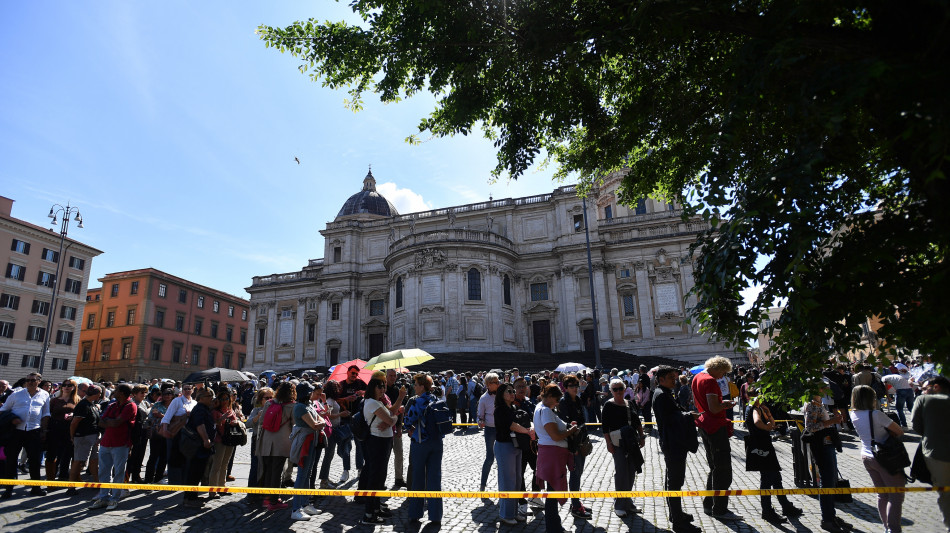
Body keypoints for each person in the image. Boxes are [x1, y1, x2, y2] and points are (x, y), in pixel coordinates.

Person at [691, 356, 741, 521]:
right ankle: (720, 509)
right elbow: (713, 408)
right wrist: (725, 404)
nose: (723, 377)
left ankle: (709, 504)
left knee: (714, 466)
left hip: (704, 424)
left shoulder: (697, 377)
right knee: (723, 468)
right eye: (723, 373)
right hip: (714, 425)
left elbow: (705, 404)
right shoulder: (710, 380)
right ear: (718, 368)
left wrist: (720, 402)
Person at [652, 366, 701, 533]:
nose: (675, 380)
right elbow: (670, 419)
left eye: (674, 377)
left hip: (674, 442)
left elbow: (675, 412)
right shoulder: (661, 396)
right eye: (671, 378)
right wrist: (688, 416)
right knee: (674, 483)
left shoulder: (665, 393)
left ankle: (676, 514)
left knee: (674, 482)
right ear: (661, 379)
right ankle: (678, 523)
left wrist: (686, 413)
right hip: (672, 444)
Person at [850, 384, 904, 533]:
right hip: (883, 457)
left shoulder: (853, 414)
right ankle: (894, 529)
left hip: (866, 455)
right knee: (896, 495)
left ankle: (886, 526)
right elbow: (899, 431)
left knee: (882, 494)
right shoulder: (876, 414)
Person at [745, 396, 804, 525]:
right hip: (762, 448)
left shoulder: (760, 409)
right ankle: (767, 511)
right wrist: (766, 428)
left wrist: (769, 414)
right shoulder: (754, 410)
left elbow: (772, 424)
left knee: (776, 478)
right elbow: (757, 422)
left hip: (765, 446)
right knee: (767, 479)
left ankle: (785, 506)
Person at [357, 377, 404, 525]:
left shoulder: (378, 402)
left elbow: (390, 416)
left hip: (383, 441)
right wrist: (394, 417)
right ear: (372, 388)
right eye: (379, 387)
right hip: (376, 441)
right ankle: (369, 514)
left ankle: (376, 508)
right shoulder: (371, 402)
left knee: (380, 476)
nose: (383, 389)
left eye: (383, 387)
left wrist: (393, 414)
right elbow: (391, 420)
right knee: (375, 477)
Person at [805, 384, 850, 533]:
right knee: (826, 481)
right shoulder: (811, 406)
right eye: (822, 387)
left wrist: (832, 418)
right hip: (821, 445)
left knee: (831, 480)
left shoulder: (820, 403)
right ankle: (827, 518)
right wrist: (832, 422)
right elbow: (810, 428)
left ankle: (832, 515)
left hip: (828, 443)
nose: (825, 389)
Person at [535, 383, 579, 533]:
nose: (557, 403)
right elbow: (555, 436)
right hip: (553, 455)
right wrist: (571, 430)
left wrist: (566, 426)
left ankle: (554, 527)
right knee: (552, 494)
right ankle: (554, 528)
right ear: (549, 397)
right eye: (556, 399)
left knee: (551, 494)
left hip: (550, 454)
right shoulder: (546, 411)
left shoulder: (541, 408)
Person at [0, 372, 50, 499]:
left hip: (34, 431)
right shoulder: (16, 394)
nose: (30, 382)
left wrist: (44, 431)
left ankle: (35, 487)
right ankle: (8, 489)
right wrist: (12, 419)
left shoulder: (44, 394)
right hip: (16, 431)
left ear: (39, 381)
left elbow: (45, 414)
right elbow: (3, 410)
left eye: (33, 380)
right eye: (28, 380)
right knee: (11, 460)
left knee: (34, 461)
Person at [90, 383, 137, 511]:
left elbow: (116, 422)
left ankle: (114, 498)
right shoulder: (112, 405)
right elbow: (100, 421)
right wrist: (111, 421)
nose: (114, 392)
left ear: (121, 393)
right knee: (103, 471)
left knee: (118, 472)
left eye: (116, 390)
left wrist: (110, 421)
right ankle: (104, 497)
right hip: (106, 442)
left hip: (121, 444)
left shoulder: (130, 406)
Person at [911, 375, 950, 530]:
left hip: (937, 454)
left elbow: (916, 425)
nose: (923, 391)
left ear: (936, 387)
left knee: (945, 492)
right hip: (937, 452)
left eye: (925, 388)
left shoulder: (923, 400)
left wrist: (929, 434)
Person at [602, 378, 645, 518]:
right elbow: (605, 428)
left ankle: (627, 501)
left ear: (625, 388)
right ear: (611, 391)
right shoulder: (608, 405)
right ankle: (620, 504)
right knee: (621, 473)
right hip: (617, 443)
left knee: (631, 471)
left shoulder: (630, 403)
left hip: (631, 442)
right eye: (615, 389)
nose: (618, 391)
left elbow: (637, 421)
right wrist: (608, 443)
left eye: (620, 388)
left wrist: (641, 435)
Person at [404, 373, 444, 523]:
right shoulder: (436, 399)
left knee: (418, 478)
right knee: (435, 479)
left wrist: (409, 424)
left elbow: (408, 422)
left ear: (422, 386)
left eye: (416, 385)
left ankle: (415, 513)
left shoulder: (418, 401)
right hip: (437, 443)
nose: (414, 387)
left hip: (421, 443)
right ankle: (435, 516)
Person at [494, 383, 533, 525]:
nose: (512, 393)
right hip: (504, 446)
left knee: (517, 480)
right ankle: (505, 514)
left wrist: (529, 428)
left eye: (512, 391)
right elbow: (512, 425)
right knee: (507, 481)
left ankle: (514, 512)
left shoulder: (514, 407)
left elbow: (522, 421)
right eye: (508, 391)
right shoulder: (499, 410)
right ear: (501, 394)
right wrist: (528, 431)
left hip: (516, 445)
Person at [289, 381, 326, 521]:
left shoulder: (308, 405)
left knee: (307, 473)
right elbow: (315, 424)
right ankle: (296, 508)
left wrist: (320, 423)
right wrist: (320, 423)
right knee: (302, 474)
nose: (312, 393)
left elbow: (319, 420)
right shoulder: (300, 407)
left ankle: (305, 504)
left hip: (312, 440)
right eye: (310, 391)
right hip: (305, 442)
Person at [557, 374, 591, 519]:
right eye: (572, 386)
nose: (575, 389)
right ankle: (576, 505)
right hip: (572, 443)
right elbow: (565, 424)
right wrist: (574, 446)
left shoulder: (577, 399)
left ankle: (575, 501)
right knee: (575, 473)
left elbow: (582, 419)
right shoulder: (563, 402)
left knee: (579, 472)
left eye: (577, 386)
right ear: (565, 387)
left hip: (581, 439)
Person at [258, 382, 295, 511]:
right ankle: (274, 501)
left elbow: (262, 421)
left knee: (268, 470)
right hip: (281, 442)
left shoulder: (269, 403)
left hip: (267, 441)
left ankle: (267, 498)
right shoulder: (291, 406)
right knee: (277, 472)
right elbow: (294, 424)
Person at [181, 388, 217, 509]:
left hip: (201, 446)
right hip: (198, 446)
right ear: (201, 398)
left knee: (198, 471)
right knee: (194, 472)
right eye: (209, 396)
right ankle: (189, 498)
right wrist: (206, 439)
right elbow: (199, 425)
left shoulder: (204, 408)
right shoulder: (200, 409)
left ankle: (193, 496)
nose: (211, 398)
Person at [67, 385, 102, 496]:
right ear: (96, 394)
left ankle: (96, 483)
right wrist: (72, 436)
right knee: (78, 461)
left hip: (92, 437)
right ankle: (71, 486)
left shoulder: (91, 404)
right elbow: (74, 423)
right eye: (99, 393)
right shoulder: (83, 405)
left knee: (93, 460)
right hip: (83, 436)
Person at [160, 383, 196, 484]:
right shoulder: (177, 401)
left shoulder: (194, 403)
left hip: (188, 433)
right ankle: (174, 480)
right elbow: (167, 416)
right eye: (185, 389)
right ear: (182, 390)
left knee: (186, 456)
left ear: (193, 390)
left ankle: (183, 480)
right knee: (173, 456)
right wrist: (165, 429)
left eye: (189, 389)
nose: (187, 391)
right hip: (176, 432)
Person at [46, 379, 79, 488]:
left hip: (69, 429)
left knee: (67, 454)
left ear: (74, 387)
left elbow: (81, 413)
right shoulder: (54, 400)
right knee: (52, 454)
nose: (66, 387)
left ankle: (63, 476)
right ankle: (50, 480)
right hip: (55, 428)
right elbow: (48, 414)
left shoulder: (77, 400)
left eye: (69, 385)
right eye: (64, 385)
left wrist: (73, 414)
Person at [208, 387, 239, 491]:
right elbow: (213, 425)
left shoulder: (230, 410)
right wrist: (222, 418)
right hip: (219, 440)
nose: (225, 401)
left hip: (230, 439)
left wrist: (236, 421)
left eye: (227, 399)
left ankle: (222, 486)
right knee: (216, 465)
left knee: (225, 464)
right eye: (222, 399)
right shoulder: (215, 411)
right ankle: (213, 490)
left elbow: (235, 421)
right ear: (218, 400)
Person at [319, 380, 348, 488]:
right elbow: (327, 415)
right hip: (331, 430)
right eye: (337, 388)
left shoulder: (330, 400)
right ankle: (323, 481)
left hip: (333, 429)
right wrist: (341, 414)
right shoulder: (329, 400)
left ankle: (325, 478)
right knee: (328, 455)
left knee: (329, 455)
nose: (339, 390)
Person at [477, 372, 501, 491]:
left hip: (502, 429)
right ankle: (483, 484)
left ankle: (504, 486)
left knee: (503, 457)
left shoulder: (502, 395)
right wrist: (480, 421)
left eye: (498, 381)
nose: (498, 383)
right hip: (490, 430)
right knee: (490, 457)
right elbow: (480, 416)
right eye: (495, 382)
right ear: (488, 384)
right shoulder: (484, 398)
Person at [144, 388, 173, 483]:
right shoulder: (157, 404)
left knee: (164, 457)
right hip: (157, 433)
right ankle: (148, 478)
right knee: (153, 456)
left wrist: (162, 416)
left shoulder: (174, 406)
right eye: (165, 394)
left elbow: (176, 419)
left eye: (169, 394)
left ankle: (158, 478)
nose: (167, 396)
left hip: (169, 433)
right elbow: (151, 416)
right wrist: (164, 417)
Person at [385, 369, 407, 489]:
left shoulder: (398, 390)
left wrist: (399, 427)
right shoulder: (381, 390)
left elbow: (401, 410)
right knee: (385, 456)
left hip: (396, 425)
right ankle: (381, 480)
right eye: (391, 376)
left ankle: (399, 478)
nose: (393, 378)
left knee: (399, 453)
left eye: (395, 376)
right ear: (386, 376)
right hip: (384, 427)